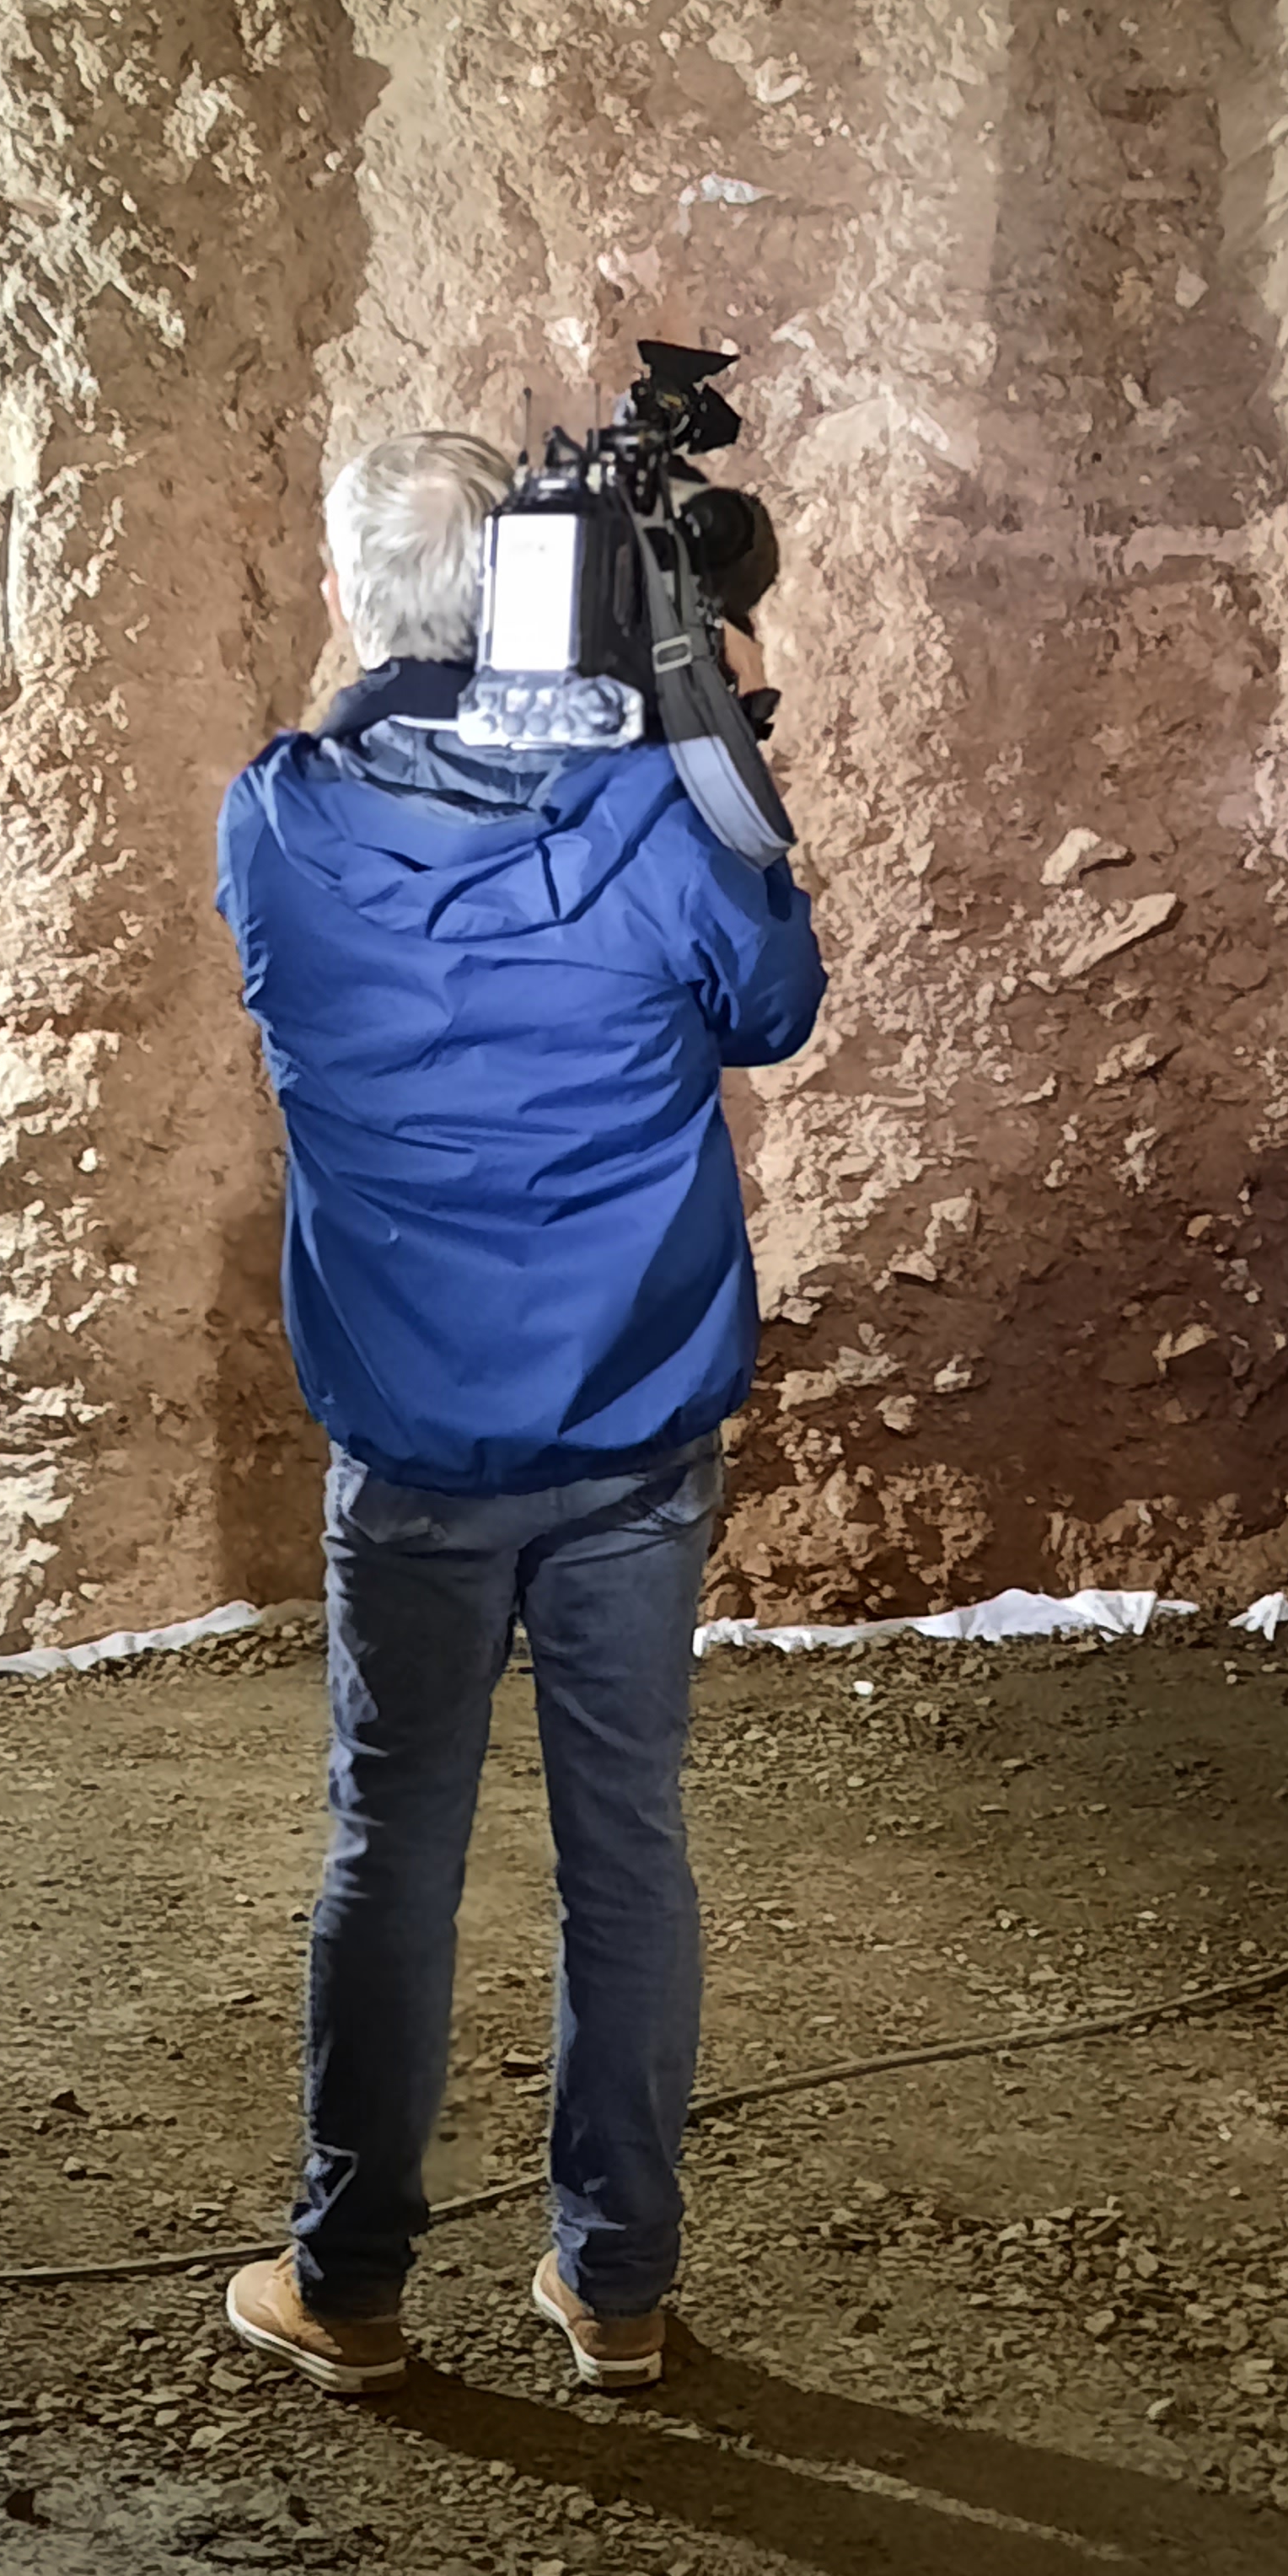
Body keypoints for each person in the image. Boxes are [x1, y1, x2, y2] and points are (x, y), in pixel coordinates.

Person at [213, 429, 826, 2396]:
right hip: (631, 1443)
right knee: (621, 1843)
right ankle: (613, 2285)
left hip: (407, 1448)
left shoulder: (279, 823)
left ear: (351, 601)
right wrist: (700, 740)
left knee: (386, 1842)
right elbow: (773, 1001)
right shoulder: (654, 810)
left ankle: (352, 2280)